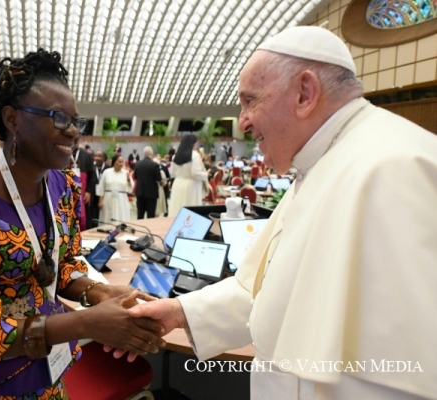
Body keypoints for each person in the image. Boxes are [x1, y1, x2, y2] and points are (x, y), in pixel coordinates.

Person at [128, 26, 437, 399]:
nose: (241, 121)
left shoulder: (395, 167)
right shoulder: (319, 164)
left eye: (250, 101)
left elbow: (408, 369)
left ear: (304, 93)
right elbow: (269, 293)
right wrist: (180, 311)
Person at [0, 48, 164, 398]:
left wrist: (101, 293)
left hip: (47, 373)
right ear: (11, 119)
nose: (73, 131)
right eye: (58, 117)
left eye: (77, 121)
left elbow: (64, 263)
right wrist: (86, 322)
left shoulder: (64, 185)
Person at [168, 134, 208, 216]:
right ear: (193, 144)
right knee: (190, 212)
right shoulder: (195, 155)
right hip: (191, 186)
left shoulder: (176, 156)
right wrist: (205, 174)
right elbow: (195, 174)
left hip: (178, 184)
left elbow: (173, 173)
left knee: (177, 210)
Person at [98, 154, 133, 223]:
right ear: (114, 162)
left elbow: (131, 187)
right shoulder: (106, 172)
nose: (121, 164)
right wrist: (100, 201)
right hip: (108, 198)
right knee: (108, 216)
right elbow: (101, 187)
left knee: (121, 216)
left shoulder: (126, 173)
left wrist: (128, 179)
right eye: (119, 162)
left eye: (122, 162)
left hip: (121, 199)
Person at [133, 146, 161, 219]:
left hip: (140, 192)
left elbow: (135, 177)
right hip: (151, 193)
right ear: (151, 154)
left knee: (140, 214)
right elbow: (158, 178)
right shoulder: (155, 165)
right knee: (151, 215)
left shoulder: (137, 164)